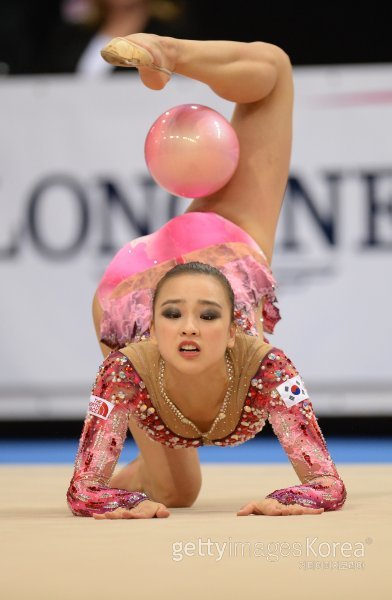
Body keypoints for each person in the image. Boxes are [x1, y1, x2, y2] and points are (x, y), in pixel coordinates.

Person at [67, 33, 347, 519]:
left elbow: (326, 483)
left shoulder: (267, 368)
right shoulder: (130, 363)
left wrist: (288, 500)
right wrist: (106, 494)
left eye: (204, 320)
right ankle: (168, 52)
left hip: (203, 254)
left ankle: (169, 51)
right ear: (155, 327)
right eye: (175, 318)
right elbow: (83, 492)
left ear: (231, 329)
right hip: (132, 289)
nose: (190, 329)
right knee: (175, 492)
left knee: (174, 490)